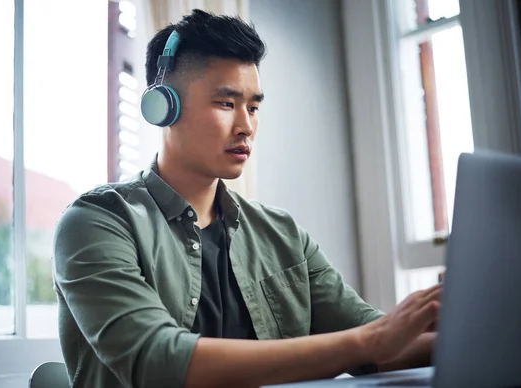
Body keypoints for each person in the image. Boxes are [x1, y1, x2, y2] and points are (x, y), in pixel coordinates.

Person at [53, 9, 441, 388]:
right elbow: (158, 360)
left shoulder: (284, 235)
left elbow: (379, 343)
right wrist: (369, 341)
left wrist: (475, 337)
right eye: (226, 104)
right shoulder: (95, 223)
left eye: (253, 107)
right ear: (163, 107)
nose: (246, 126)